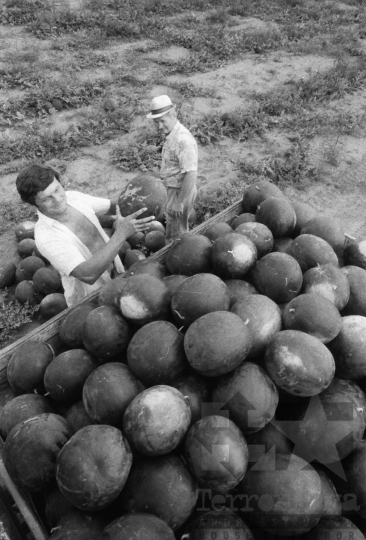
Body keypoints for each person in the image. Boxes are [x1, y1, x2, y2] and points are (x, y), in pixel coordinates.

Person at [15, 164, 155, 307]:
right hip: (90, 298)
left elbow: (112, 206)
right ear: (34, 204)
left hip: (117, 272)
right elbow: (88, 274)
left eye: (57, 190)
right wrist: (121, 233)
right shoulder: (46, 237)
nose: (58, 199)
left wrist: (143, 196)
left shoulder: (73, 199)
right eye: (47, 199)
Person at [146, 94, 198, 243]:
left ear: (173, 114)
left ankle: (177, 258)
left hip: (180, 191)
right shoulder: (171, 135)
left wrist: (179, 202)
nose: (160, 126)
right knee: (173, 225)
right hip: (173, 189)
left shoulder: (183, 140)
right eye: (156, 122)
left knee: (176, 236)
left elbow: (191, 173)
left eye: (162, 121)